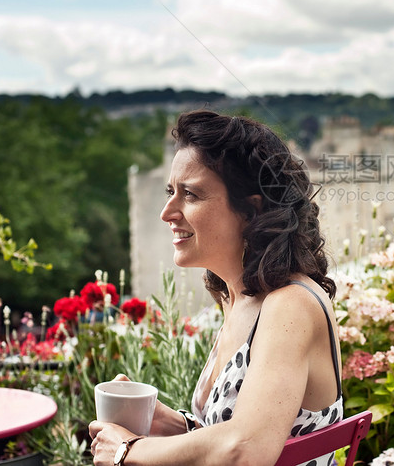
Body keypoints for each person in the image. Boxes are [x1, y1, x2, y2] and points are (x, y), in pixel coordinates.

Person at [89, 110, 343, 466]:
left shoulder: (291, 305)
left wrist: (127, 450)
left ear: (251, 211)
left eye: (190, 195)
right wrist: (166, 421)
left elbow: (246, 449)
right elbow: (228, 431)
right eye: (170, 192)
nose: (167, 212)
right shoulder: (239, 299)